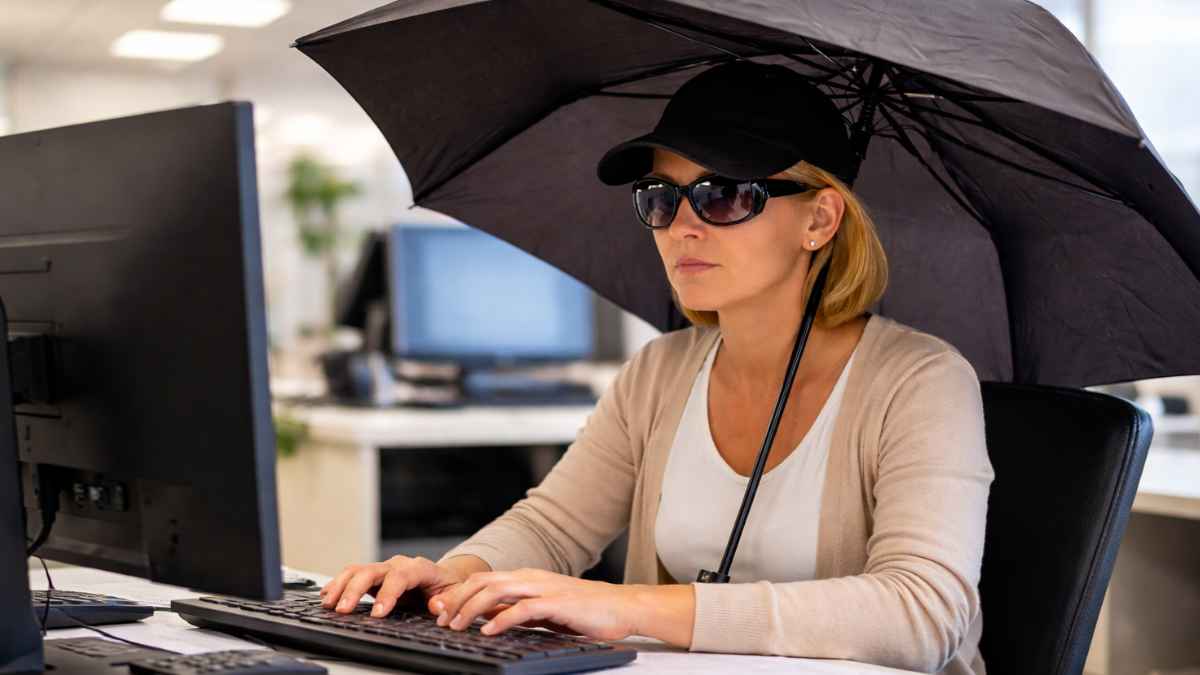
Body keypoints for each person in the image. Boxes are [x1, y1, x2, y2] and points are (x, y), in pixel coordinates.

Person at [319, 61, 994, 675]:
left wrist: (629, 606)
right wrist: (454, 574)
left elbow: (923, 611)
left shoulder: (921, 380)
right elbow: (553, 528)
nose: (682, 226)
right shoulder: (660, 372)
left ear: (819, 218)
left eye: (724, 194)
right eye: (662, 198)